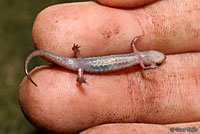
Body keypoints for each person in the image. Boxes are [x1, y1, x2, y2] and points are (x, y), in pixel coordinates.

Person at [19, 0, 200, 133]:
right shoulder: (141, 61)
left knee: (80, 64)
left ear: (150, 59)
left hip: (81, 63)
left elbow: (134, 44)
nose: (155, 63)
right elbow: (142, 63)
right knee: (78, 67)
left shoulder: (138, 55)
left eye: (156, 62)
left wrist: (136, 43)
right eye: (156, 62)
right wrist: (79, 77)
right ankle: (78, 73)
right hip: (80, 66)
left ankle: (77, 65)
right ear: (150, 60)